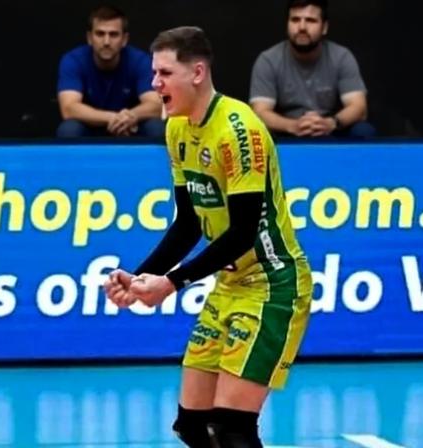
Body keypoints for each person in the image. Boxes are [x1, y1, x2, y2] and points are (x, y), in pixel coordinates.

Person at [104, 26, 313, 447]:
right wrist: (141, 275)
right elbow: (189, 223)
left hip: (271, 285)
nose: (154, 84)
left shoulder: (239, 130)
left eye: (165, 73)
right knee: (193, 426)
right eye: (153, 73)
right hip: (229, 285)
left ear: (197, 73)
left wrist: (171, 284)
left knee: (231, 430)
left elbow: (242, 233)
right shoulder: (177, 128)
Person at [249, 0, 374, 139]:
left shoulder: (341, 57)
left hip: (330, 130)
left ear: (324, 27)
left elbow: (359, 107)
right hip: (285, 133)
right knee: (256, 132)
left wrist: (331, 123)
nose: (302, 27)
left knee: (363, 130)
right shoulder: (268, 60)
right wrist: (293, 126)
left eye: (310, 20)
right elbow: (259, 112)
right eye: (295, 20)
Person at [56, 4, 163, 138]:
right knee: (69, 130)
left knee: (156, 128)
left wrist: (130, 116)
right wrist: (112, 117)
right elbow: (69, 108)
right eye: (100, 34)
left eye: (113, 35)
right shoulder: (74, 60)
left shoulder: (140, 61)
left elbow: (155, 105)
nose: (106, 42)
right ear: (89, 38)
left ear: (124, 39)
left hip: (131, 127)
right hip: (91, 127)